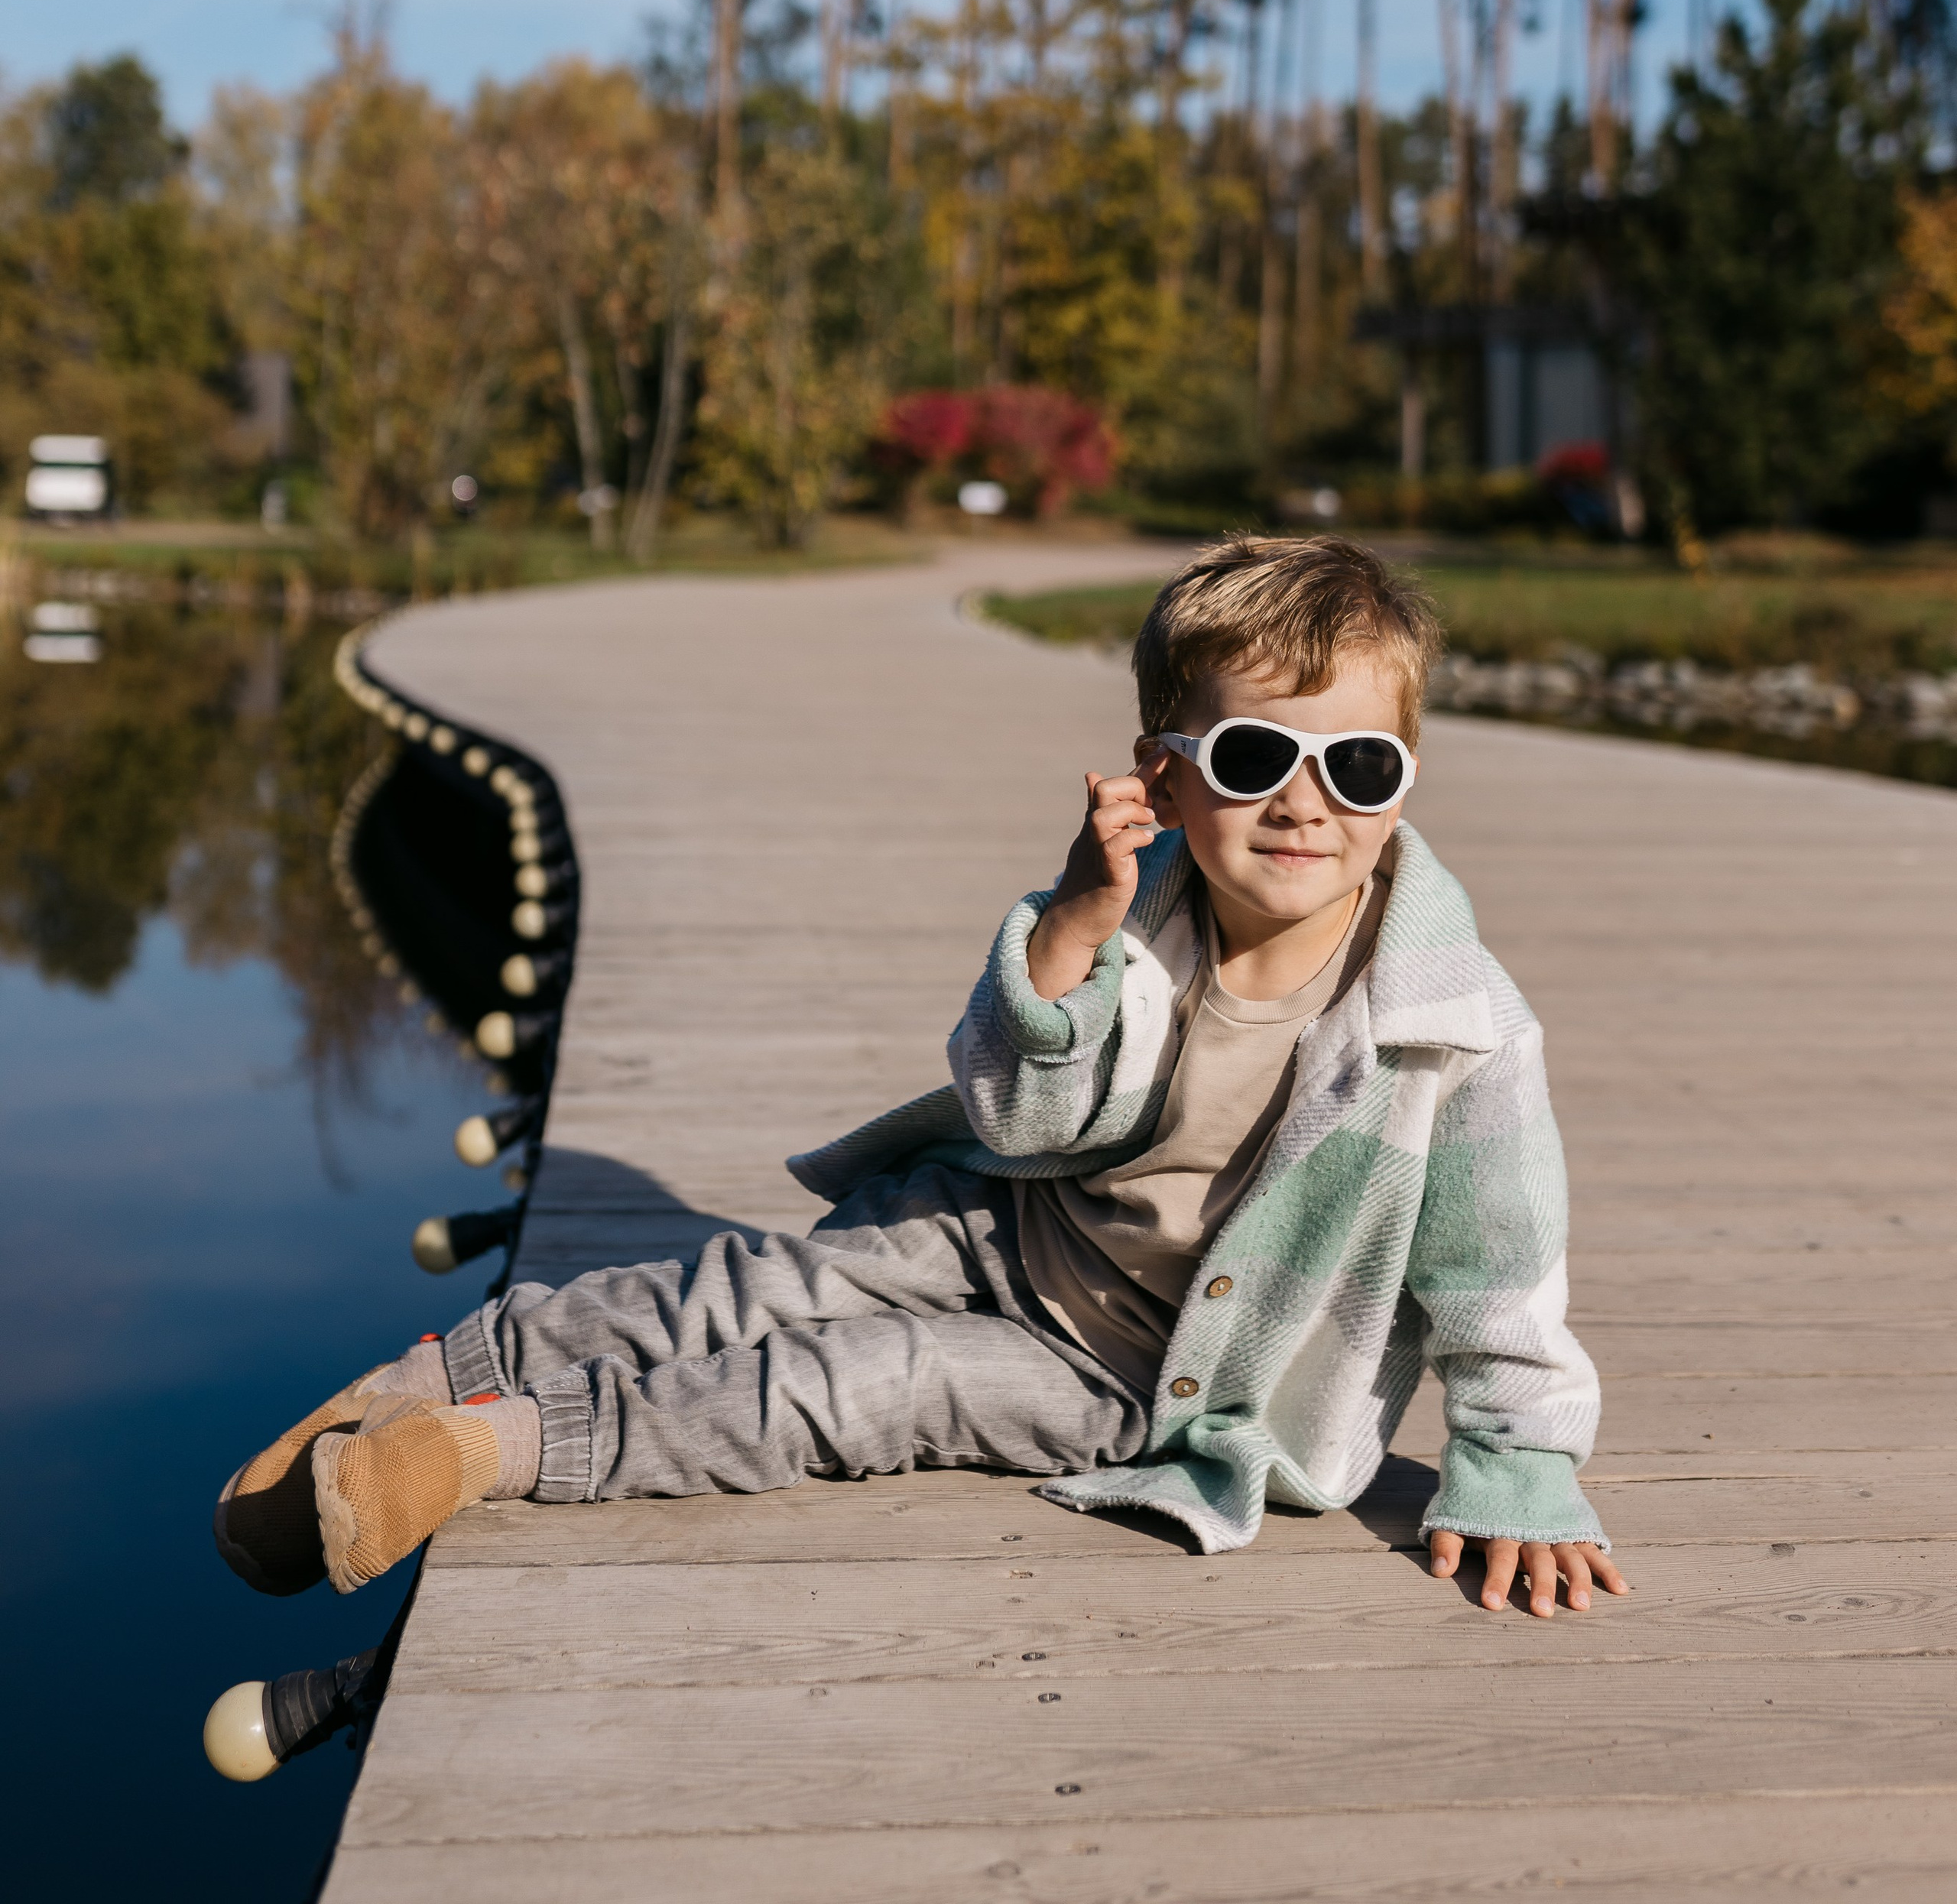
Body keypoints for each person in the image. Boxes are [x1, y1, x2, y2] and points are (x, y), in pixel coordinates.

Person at [214, 534, 1625, 1621]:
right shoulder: (1125, 925)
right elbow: (1023, 1117)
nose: (1306, 802)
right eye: (1257, 755)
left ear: (1406, 779)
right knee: (746, 1286)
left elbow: (1499, 1274)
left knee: (856, 1385)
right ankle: (418, 1376)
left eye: (1359, 763)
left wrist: (1520, 1465)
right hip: (1015, 1227)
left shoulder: (1454, 1028)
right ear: (1167, 776)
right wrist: (1071, 933)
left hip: (1148, 1378)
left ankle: (488, 1450)